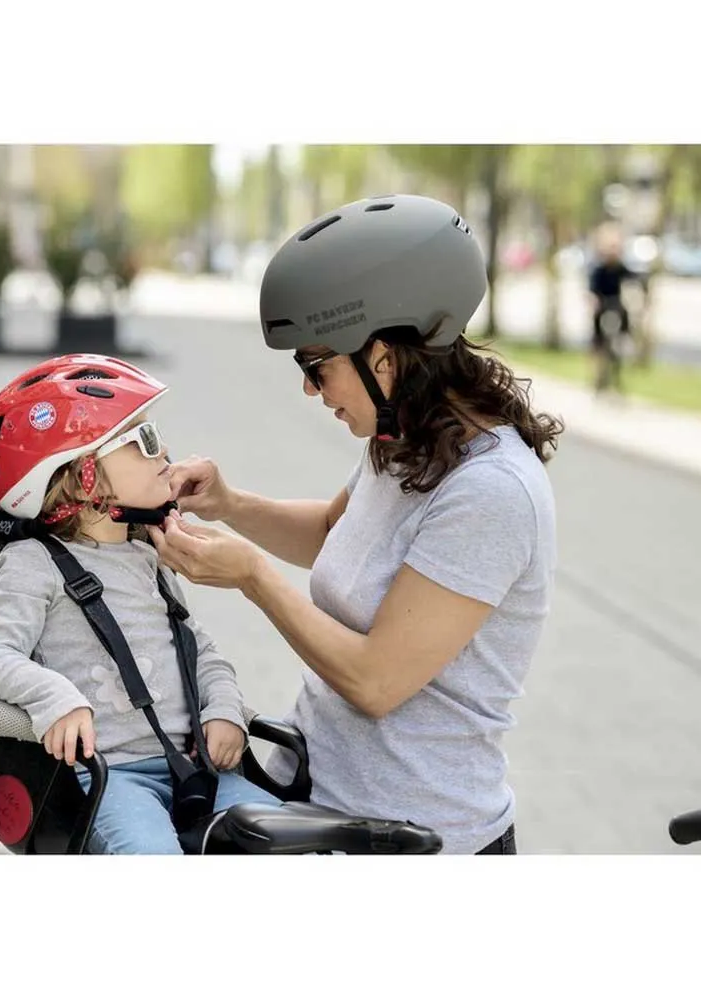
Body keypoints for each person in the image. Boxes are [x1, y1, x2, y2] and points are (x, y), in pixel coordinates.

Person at [148, 195, 564, 855]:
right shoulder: (407, 440)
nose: (311, 390)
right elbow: (331, 534)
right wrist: (229, 504)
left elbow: (377, 682)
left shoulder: (491, 492)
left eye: (317, 366)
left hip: (416, 838)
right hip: (318, 800)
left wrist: (253, 577)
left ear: (386, 354)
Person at [0, 354, 280, 855]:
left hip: (195, 770)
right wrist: (56, 698)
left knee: (290, 840)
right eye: (145, 439)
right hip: (113, 777)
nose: (164, 452)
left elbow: (200, 651)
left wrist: (224, 709)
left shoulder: (147, 556)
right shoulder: (33, 564)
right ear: (84, 475)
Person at [587, 223, 642, 393]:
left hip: (616, 304)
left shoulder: (620, 268)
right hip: (603, 305)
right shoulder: (599, 269)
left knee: (624, 317)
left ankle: (626, 338)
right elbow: (592, 289)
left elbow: (633, 277)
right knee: (598, 336)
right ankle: (598, 373)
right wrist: (594, 300)